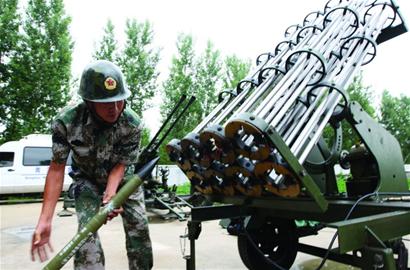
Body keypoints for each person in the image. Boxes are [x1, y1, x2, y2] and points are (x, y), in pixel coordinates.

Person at [30, 60, 153, 269]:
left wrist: (111, 195)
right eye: (106, 103)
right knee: (86, 236)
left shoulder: (132, 124)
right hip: (86, 179)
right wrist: (45, 219)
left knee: (139, 230)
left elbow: (121, 166)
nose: (114, 109)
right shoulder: (66, 122)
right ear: (89, 102)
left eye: (119, 101)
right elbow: (57, 169)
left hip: (123, 181)